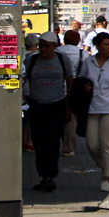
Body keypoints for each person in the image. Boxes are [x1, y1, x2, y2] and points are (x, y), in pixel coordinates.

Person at [23, 31, 73, 192]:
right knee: (39, 142)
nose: (43, 49)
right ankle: (43, 174)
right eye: (40, 46)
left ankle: (49, 175)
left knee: (52, 141)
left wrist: (68, 107)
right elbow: (21, 81)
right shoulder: (31, 61)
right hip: (36, 106)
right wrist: (25, 100)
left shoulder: (62, 59)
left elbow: (70, 82)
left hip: (56, 105)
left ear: (55, 46)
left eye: (47, 46)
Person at [83, 31, 109, 192]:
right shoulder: (88, 62)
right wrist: (84, 87)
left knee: (107, 145)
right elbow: (81, 79)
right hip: (92, 107)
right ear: (97, 46)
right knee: (92, 144)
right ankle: (104, 165)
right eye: (106, 44)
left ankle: (107, 178)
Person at [56, 30, 87, 156]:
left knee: (56, 114)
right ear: (78, 40)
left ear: (64, 39)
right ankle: (68, 147)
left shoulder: (57, 51)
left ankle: (54, 142)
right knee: (71, 117)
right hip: (75, 88)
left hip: (57, 86)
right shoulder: (82, 53)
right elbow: (85, 72)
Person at [21, 33, 40, 151]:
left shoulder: (21, 55)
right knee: (31, 117)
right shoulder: (37, 57)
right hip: (32, 90)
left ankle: (24, 140)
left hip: (21, 90)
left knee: (25, 117)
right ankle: (30, 141)